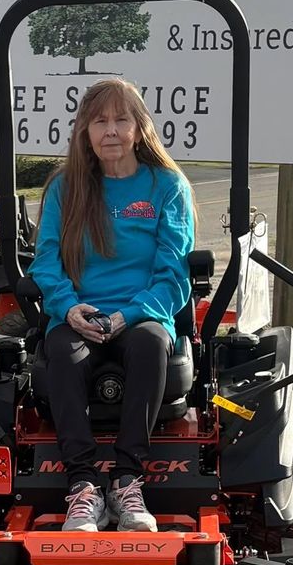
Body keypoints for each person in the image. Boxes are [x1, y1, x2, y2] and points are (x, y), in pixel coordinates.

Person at [30, 78, 196, 534]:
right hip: (79, 314)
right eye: (99, 120)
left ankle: (127, 480)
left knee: (147, 346)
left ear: (139, 128)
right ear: (84, 130)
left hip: (142, 315)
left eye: (121, 119)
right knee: (61, 353)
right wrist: (67, 308)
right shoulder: (67, 188)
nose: (110, 130)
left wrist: (132, 313)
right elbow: (46, 261)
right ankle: (83, 486)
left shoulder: (166, 186)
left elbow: (173, 273)